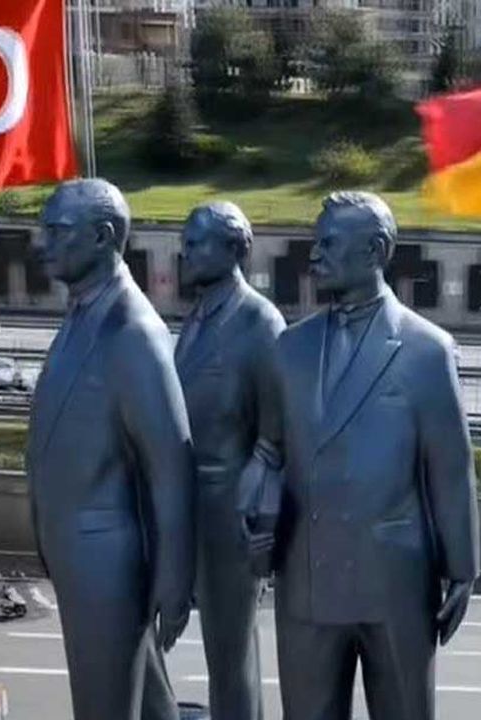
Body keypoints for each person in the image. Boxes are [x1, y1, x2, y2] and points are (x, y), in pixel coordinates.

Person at [243, 191, 480, 720]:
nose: (314, 254)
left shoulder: (426, 350)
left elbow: (449, 466)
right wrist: (252, 503)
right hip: (307, 574)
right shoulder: (290, 349)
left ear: (374, 250)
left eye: (328, 243)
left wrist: (463, 566)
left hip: (394, 580)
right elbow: (269, 449)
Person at [27, 178, 195, 720]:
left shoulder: (131, 331)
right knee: (149, 705)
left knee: (104, 706)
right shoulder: (84, 313)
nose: (45, 244)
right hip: (80, 554)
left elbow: (171, 465)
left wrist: (175, 578)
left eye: (59, 231)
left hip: (107, 559)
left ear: (102, 237)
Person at [175, 202, 285, 720]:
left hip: (231, 513)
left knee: (230, 654)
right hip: (190, 507)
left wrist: (261, 516)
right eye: (185, 242)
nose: (186, 252)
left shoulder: (259, 322)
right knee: (218, 651)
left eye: (197, 242)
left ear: (234, 249)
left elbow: (276, 433)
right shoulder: (197, 318)